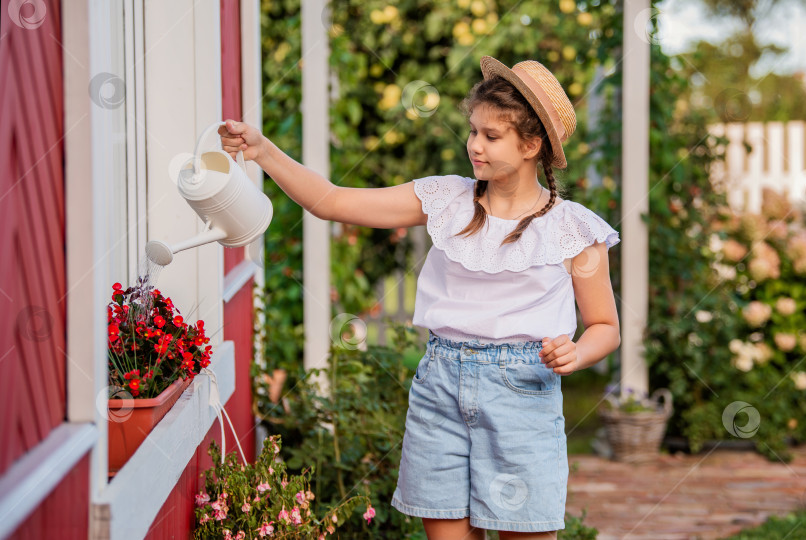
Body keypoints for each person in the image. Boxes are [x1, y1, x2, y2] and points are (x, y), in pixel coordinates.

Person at [219, 55, 621, 540]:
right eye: (473, 131)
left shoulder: (574, 229)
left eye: (491, 137)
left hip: (524, 393)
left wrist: (576, 353)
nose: (474, 145)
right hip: (440, 386)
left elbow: (605, 327)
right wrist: (262, 151)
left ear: (531, 145)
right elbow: (330, 201)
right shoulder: (445, 199)